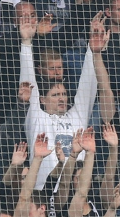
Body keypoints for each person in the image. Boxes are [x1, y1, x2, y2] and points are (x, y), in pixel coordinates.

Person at [19, 11, 112, 187]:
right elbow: (28, 83)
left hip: (78, 191)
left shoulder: (76, 115)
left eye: (63, 94)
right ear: (43, 100)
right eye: (55, 95)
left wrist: (93, 51)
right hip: (44, 194)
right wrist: (26, 43)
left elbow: (87, 84)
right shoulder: (37, 118)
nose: (61, 98)